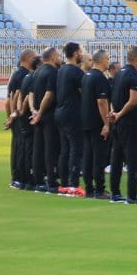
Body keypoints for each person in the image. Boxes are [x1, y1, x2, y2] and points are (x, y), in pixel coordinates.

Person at [107, 45, 137, 204]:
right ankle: (132, 196)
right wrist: (120, 113)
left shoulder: (119, 74)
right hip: (132, 123)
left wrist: (115, 113)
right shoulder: (136, 76)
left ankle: (115, 193)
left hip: (118, 124)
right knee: (133, 160)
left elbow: (113, 97)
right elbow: (133, 101)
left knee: (117, 158)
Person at [54, 41, 86, 194]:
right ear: (75, 54)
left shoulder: (61, 70)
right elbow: (84, 93)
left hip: (60, 112)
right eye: (81, 51)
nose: (83, 54)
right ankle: (74, 184)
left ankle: (65, 183)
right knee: (75, 148)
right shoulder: (76, 72)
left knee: (65, 149)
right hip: (73, 113)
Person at [27, 46, 61, 193]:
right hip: (48, 115)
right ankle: (51, 182)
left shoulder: (37, 71)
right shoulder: (53, 72)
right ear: (53, 57)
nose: (60, 58)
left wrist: (33, 111)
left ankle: (38, 181)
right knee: (49, 148)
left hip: (37, 115)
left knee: (38, 148)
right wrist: (40, 112)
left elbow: (31, 94)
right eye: (59, 56)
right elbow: (49, 94)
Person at [81, 50, 112, 199]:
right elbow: (101, 101)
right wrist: (106, 123)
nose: (109, 61)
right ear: (100, 60)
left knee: (88, 155)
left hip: (86, 121)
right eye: (107, 59)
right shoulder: (100, 78)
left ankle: (89, 188)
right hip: (97, 122)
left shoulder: (86, 76)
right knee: (99, 156)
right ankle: (100, 189)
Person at [5, 49, 36, 190]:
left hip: (16, 117)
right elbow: (17, 96)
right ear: (28, 58)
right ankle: (22, 178)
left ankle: (16, 178)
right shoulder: (23, 74)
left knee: (17, 148)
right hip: (20, 117)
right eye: (34, 57)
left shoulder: (16, 73)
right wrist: (16, 114)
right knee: (23, 148)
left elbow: (9, 99)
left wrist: (10, 116)